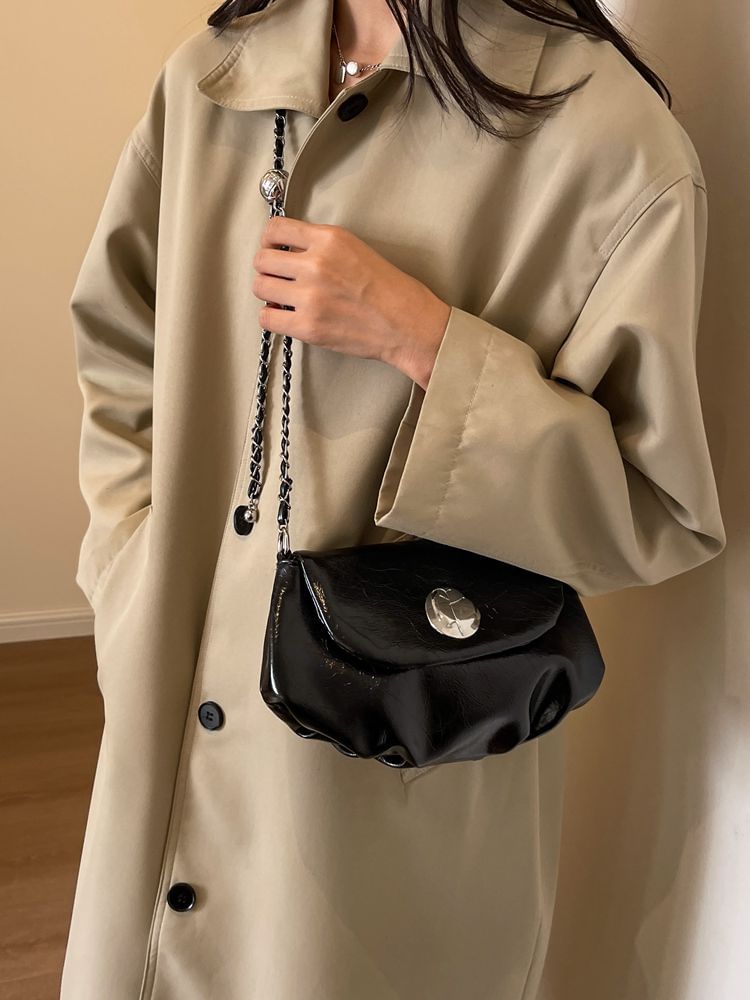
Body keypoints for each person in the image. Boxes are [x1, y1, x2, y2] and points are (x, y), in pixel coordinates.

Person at [62, 0, 726, 997]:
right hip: (165, 720)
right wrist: (129, 571)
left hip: (386, 787)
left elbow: (653, 505)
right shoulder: (213, 80)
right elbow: (119, 352)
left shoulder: (611, 141)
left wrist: (425, 341)